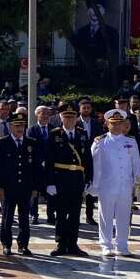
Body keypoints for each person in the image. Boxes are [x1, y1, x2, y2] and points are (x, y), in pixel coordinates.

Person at [89, 109, 140, 257]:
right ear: (107, 124)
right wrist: (95, 186)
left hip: (126, 185)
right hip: (106, 185)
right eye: (114, 124)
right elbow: (95, 165)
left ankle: (122, 245)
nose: (117, 127)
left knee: (124, 216)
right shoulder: (100, 141)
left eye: (120, 124)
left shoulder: (130, 141)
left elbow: (136, 165)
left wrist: (137, 187)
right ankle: (106, 245)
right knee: (105, 216)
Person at [0, 110, 43, 255]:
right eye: (16, 125)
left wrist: (35, 187)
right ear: (10, 126)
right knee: (7, 218)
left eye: (22, 125)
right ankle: (6, 244)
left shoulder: (31, 143)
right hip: (9, 188)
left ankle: (23, 245)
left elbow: (36, 167)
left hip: (25, 187)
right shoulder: (3, 143)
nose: (20, 128)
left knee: (24, 219)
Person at [47, 104, 90, 257]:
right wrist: (50, 182)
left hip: (77, 179)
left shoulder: (82, 134)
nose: (69, 120)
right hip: (60, 179)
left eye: (72, 117)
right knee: (61, 213)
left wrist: (88, 180)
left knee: (75, 214)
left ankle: (73, 244)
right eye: (66, 117)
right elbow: (49, 159)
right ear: (61, 118)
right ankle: (61, 244)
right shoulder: (54, 134)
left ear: (76, 118)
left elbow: (87, 159)